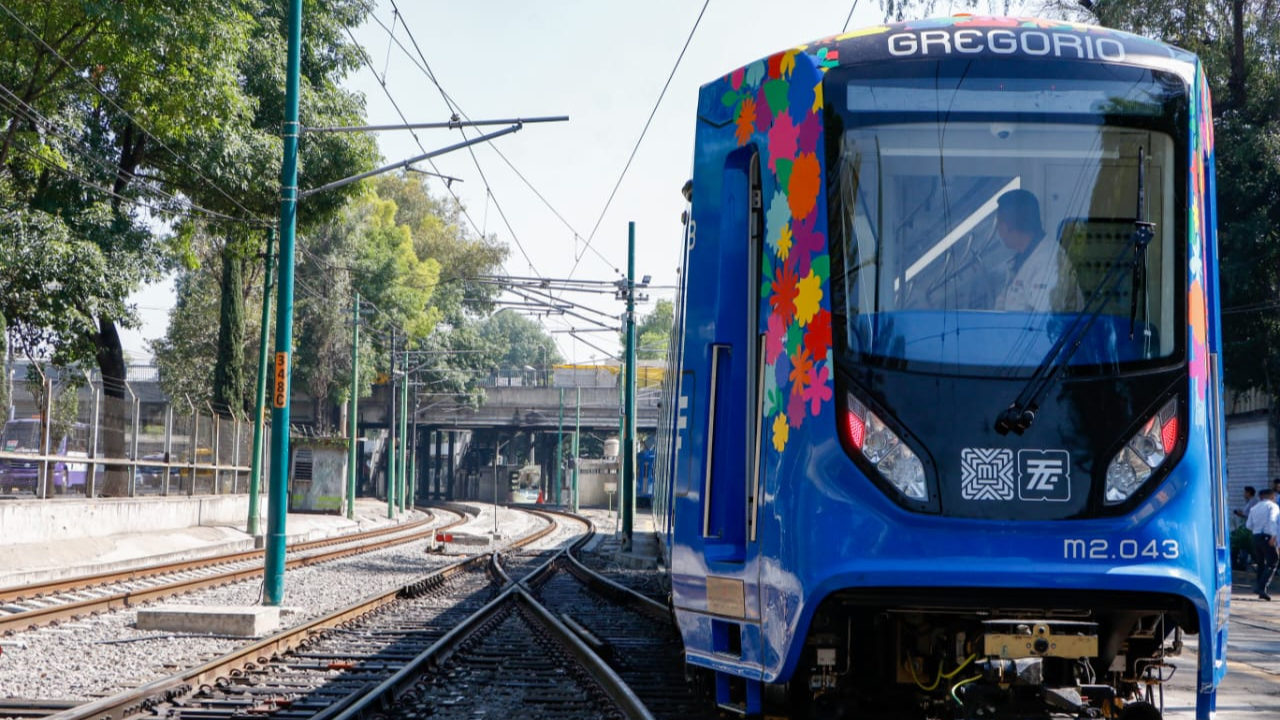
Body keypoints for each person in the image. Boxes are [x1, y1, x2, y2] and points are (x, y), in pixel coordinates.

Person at [992, 189, 1084, 313]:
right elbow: (1001, 310)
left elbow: (1040, 325)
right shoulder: (1021, 261)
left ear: (1009, 225)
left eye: (999, 222)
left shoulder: (1049, 264)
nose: (997, 228)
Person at [1246, 488, 1280, 600]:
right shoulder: (1273, 506)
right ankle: (1261, 587)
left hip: (1256, 537)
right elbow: (1272, 520)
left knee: (1261, 563)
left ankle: (1261, 590)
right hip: (1267, 536)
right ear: (1272, 496)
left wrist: (1257, 530)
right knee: (1273, 561)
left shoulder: (1254, 508)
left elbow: (1248, 525)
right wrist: (1274, 536)